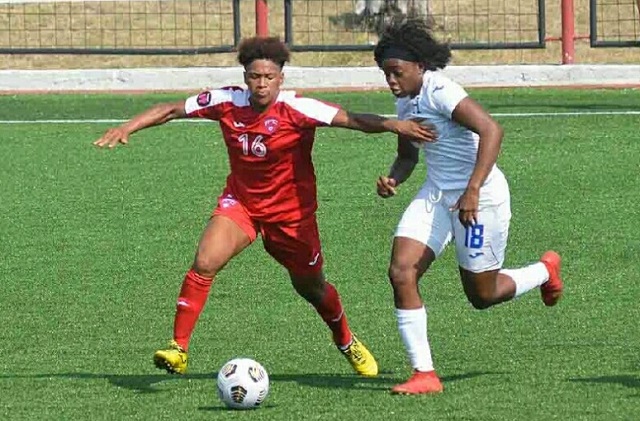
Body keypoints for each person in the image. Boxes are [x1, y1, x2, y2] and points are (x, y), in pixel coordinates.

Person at [93, 36, 436, 377]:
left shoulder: (298, 108)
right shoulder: (226, 100)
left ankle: (346, 340)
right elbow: (170, 110)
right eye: (255, 76)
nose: (261, 84)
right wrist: (127, 127)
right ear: (245, 76)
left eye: (268, 77)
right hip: (241, 205)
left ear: (281, 78)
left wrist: (395, 124)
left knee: (313, 288)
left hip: (292, 217)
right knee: (205, 261)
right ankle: (178, 347)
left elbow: (353, 120)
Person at [372, 18, 564, 394]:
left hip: (481, 200)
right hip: (437, 194)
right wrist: (393, 178)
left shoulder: (441, 91)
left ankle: (544, 270)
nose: (391, 81)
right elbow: (408, 156)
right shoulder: (405, 101)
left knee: (483, 295)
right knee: (401, 271)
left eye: (396, 72)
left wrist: (473, 190)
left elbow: (492, 129)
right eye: (385, 74)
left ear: (419, 67)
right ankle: (424, 374)